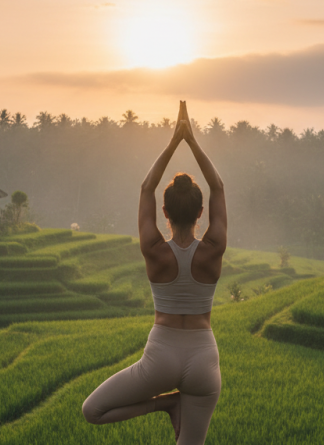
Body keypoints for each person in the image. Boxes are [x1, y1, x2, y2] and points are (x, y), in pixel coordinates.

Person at [82, 101, 227, 444]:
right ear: (200, 212)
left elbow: (146, 187)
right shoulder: (213, 249)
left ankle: (166, 405)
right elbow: (218, 186)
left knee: (93, 411)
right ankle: (176, 405)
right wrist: (191, 141)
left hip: (160, 356)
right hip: (203, 357)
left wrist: (173, 142)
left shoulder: (154, 250)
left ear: (164, 211)